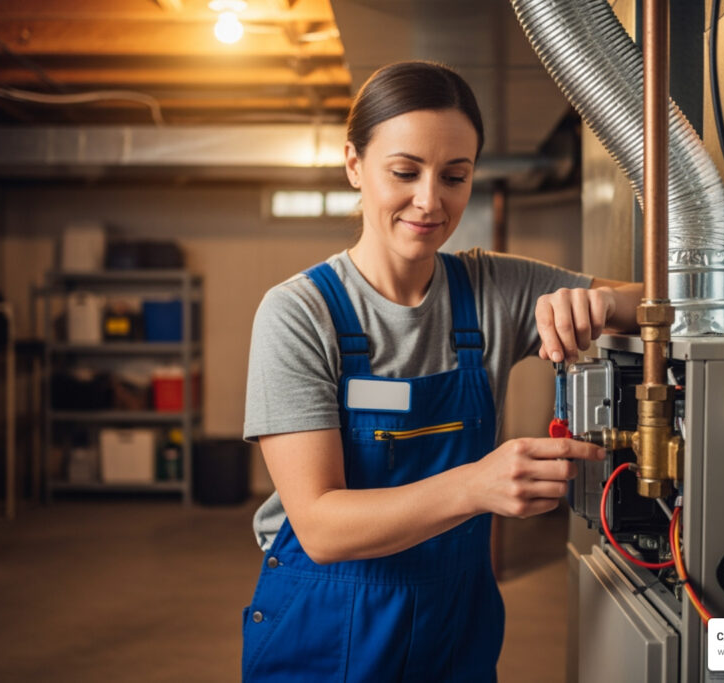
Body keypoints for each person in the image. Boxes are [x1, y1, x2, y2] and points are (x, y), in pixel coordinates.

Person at [242, 60, 641, 681]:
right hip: (326, 630)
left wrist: (600, 303)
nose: (430, 201)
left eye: (455, 176)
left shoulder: (492, 289)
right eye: (404, 172)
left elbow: (657, 306)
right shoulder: (298, 314)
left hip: (456, 623)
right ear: (354, 165)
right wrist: (476, 486)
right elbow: (319, 526)